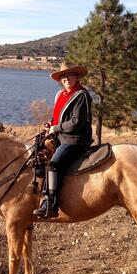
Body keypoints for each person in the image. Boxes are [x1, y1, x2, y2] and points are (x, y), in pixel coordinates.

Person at [33, 62, 93, 218]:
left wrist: (56, 128)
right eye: (63, 76)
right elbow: (57, 117)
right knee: (36, 154)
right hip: (60, 136)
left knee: (54, 163)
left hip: (75, 139)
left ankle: (50, 204)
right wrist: (50, 124)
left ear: (76, 76)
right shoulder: (61, 95)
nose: (66, 79)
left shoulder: (81, 95)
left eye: (69, 75)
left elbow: (76, 122)